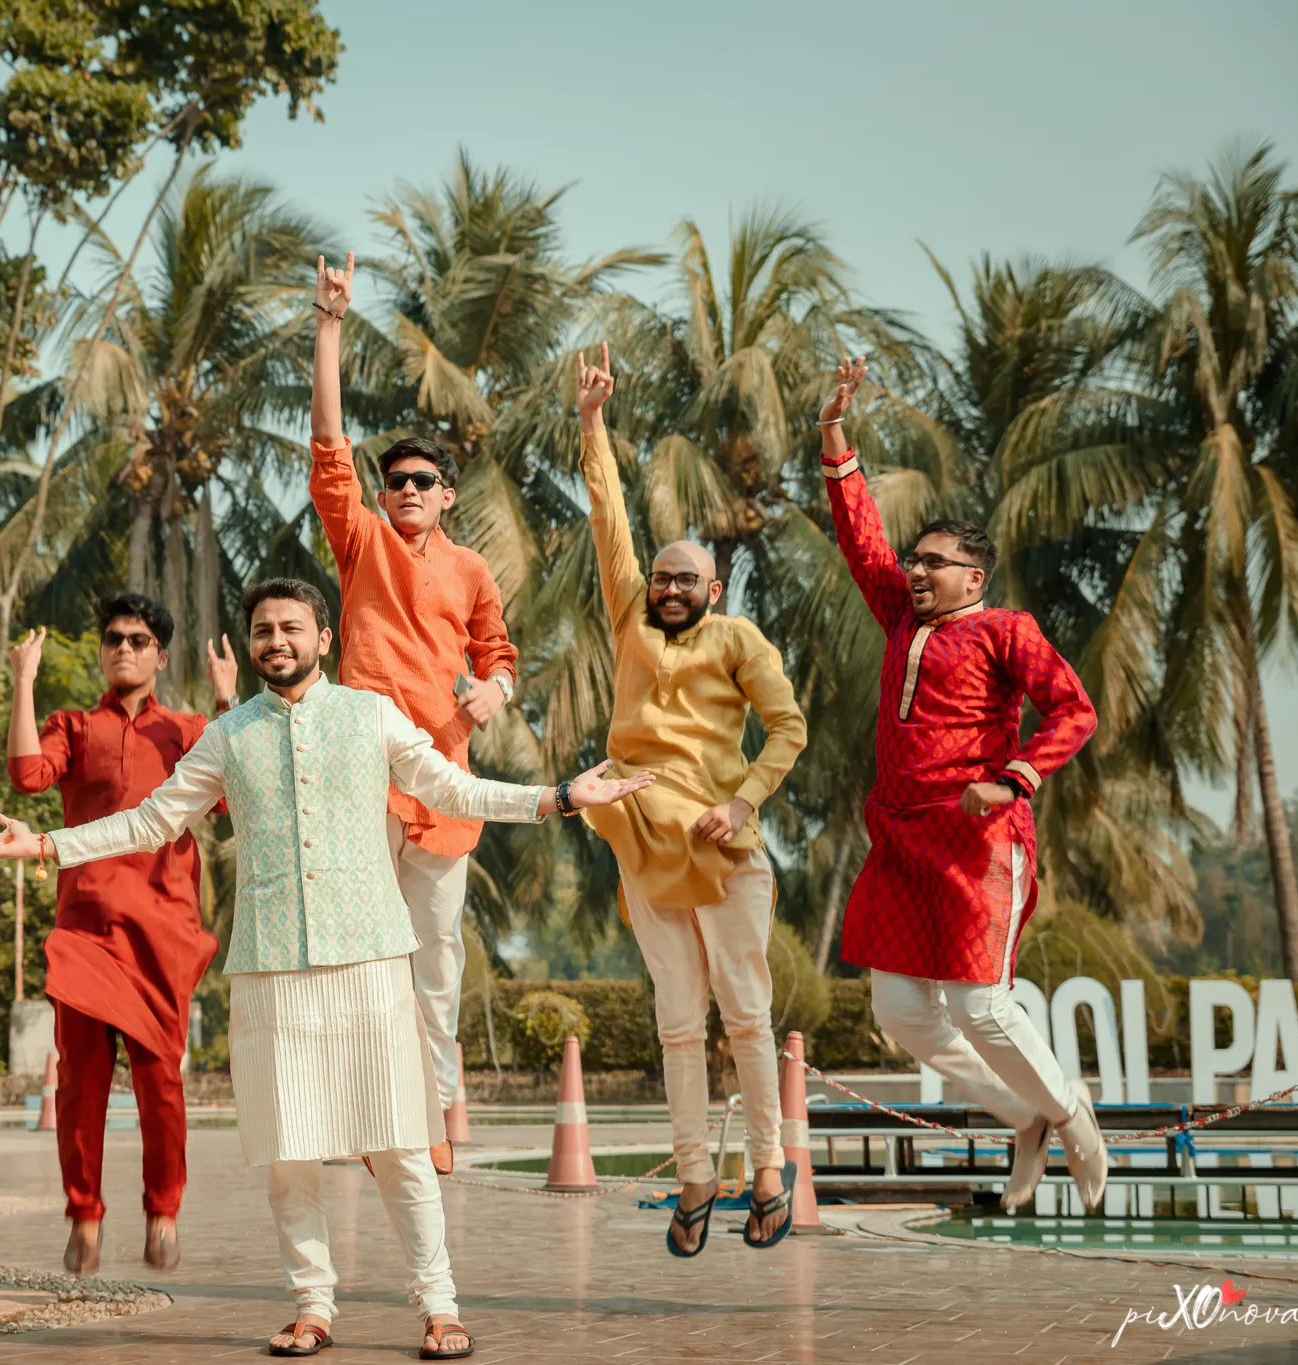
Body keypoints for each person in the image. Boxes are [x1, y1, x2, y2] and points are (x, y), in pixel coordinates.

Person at [0, 578, 652, 1363]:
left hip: (371, 961)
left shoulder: (369, 714)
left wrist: (558, 796)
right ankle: (312, 1305)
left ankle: (439, 1304)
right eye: (263, 629)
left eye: (291, 627)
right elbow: (152, 819)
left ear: (325, 639)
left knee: (400, 1146)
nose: (276, 640)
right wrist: (44, 845)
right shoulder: (228, 735)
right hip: (272, 969)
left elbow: (449, 788)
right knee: (290, 1153)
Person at [818, 355, 1106, 1211]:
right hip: (899, 841)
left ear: (973, 578)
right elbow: (861, 536)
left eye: (935, 563)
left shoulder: (1007, 630)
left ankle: (1072, 1114)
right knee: (902, 1012)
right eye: (915, 560)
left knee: (981, 1007)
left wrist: (1014, 780)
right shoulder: (899, 617)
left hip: (978, 842)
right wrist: (833, 431)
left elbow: (1075, 710)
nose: (915, 570)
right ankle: (1027, 1115)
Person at [571, 343, 810, 1254]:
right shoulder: (630, 617)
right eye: (662, 578)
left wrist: (743, 803)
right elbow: (610, 520)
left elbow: (786, 728)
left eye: (686, 580)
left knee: (746, 1013)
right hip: (643, 841)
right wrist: (593, 422)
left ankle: (768, 1169)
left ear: (714, 588)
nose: (669, 588)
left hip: (723, 844)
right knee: (677, 1022)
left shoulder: (739, 639)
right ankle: (697, 1176)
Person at [306, 252, 518, 1136]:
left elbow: (499, 656)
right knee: (359, 950)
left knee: (435, 956)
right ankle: (358, 1114)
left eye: (422, 481)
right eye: (394, 480)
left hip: (442, 779)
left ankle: (433, 1113)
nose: (405, 491)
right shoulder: (361, 540)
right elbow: (329, 448)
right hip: (360, 770)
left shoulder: (472, 570)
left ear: (447, 496)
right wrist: (330, 324)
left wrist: (494, 691)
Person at [5, 593, 239, 1274]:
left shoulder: (190, 730)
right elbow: (27, 775)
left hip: (163, 929)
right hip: (84, 928)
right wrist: (23, 680)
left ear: (161, 656)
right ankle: (83, 1214)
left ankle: (163, 1210)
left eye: (139, 640)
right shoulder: (74, 726)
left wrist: (228, 702)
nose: (125, 649)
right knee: (79, 1080)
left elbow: (235, 794)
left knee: (160, 1080)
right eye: (114, 638)